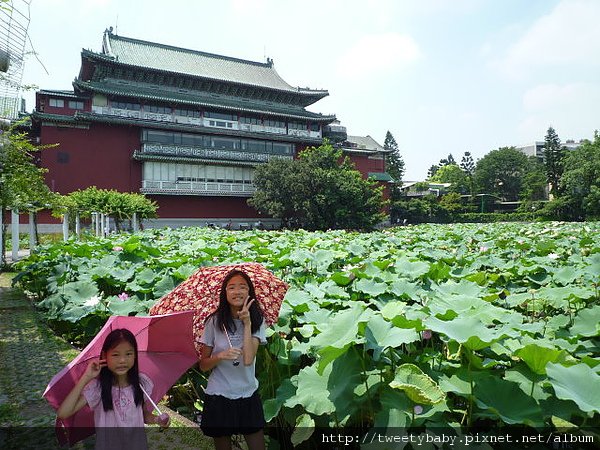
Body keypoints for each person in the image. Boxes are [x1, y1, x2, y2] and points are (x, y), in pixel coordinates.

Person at [57, 328, 170, 449]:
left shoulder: (141, 383)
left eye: (128, 354)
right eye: (115, 354)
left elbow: (143, 414)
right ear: (105, 356)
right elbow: (63, 413)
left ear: (135, 356)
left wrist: (157, 419)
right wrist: (86, 377)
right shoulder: (97, 388)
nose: (122, 360)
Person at [199, 269, 267, 450]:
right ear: (225, 293)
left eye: (242, 287)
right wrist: (220, 356)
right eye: (232, 287)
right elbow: (203, 365)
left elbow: (248, 359)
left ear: (249, 292)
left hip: (248, 393)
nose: (237, 292)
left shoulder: (258, 321)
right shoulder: (213, 322)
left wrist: (247, 323)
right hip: (219, 395)